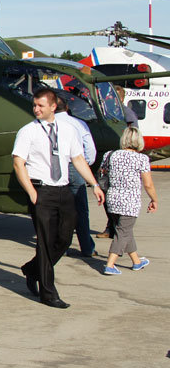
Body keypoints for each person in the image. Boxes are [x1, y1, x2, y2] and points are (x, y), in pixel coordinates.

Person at [12, 88, 105, 309]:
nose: (36, 109)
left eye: (40, 106)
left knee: (64, 239)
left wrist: (94, 184)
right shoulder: (28, 131)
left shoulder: (68, 130)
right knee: (44, 242)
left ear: (53, 106)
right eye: (34, 105)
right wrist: (32, 192)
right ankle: (48, 293)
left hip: (63, 190)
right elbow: (18, 163)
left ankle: (32, 269)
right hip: (41, 190)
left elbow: (78, 159)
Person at [102, 127, 158, 275]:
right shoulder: (142, 159)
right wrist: (154, 199)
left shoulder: (110, 155)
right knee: (122, 232)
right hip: (129, 201)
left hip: (112, 199)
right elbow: (148, 184)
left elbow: (103, 172)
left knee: (125, 231)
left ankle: (137, 262)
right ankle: (110, 264)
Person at [55, 97, 97, 257]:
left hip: (55, 168)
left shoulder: (44, 124)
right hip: (74, 167)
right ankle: (87, 247)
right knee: (80, 209)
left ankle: (61, 247)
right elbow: (90, 151)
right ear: (66, 107)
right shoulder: (78, 124)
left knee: (59, 208)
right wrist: (84, 164)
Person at [98, 85, 139, 240]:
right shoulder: (110, 113)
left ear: (119, 98)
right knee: (110, 195)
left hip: (121, 159)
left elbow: (133, 134)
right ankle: (113, 228)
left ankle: (117, 229)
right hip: (112, 157)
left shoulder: (127, 114)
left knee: (116, 197)